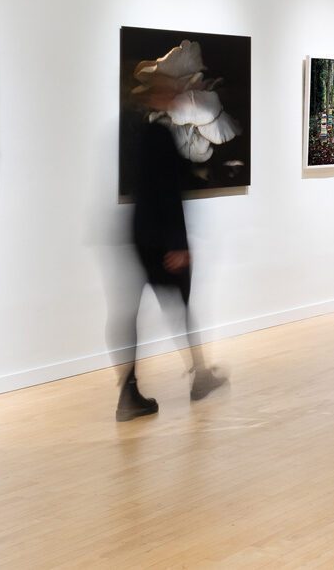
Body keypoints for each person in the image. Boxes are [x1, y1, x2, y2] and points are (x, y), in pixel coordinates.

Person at [112, 78, 227, 422]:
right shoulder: (158, 135)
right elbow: (168, 192)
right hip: (162, 239)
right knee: (181, 307)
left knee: (132, 313)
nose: (176, 95)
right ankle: (200, 376)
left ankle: (129, 392)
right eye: (170, 90)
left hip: (138, 233)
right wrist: (177, 244)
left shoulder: (128, 129)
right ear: (155, 95)